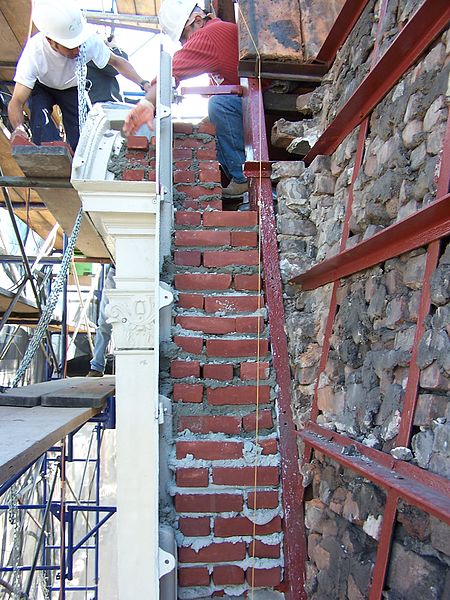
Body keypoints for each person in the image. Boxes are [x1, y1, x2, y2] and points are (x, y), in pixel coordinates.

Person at [123, 0, 248, 199]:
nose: (185, 44)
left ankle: (242, 177)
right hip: (249, 105)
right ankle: (238, 175)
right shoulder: (217, 34)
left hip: (258, 103)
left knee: (219, 105)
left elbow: (169, 73)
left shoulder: (210, 33)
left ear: (197, 20)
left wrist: (148, 103)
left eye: (184, 37)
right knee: (211, 118)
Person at [8, 0, 152, 151]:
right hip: (43, 86)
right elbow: (17, 100)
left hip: (72, 88)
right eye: (70, 47)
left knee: (83, 139)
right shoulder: (34, 52)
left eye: (79, 44)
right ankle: (49, 153)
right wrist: (18, 128)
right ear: (51, 42)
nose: (77, 50)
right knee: (41, 121)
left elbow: (117, 62)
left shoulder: (89, 42)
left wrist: (144, 83)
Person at [87, 265, 115, 377]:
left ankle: (97, 366)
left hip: (137, 274)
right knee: (104, 324)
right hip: (116, 272)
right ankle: (96, 367)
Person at [86, 35, 128, 104]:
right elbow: (121, 65)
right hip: (102, 104)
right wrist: (114, 47)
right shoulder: (93, 52)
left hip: (99, 102)